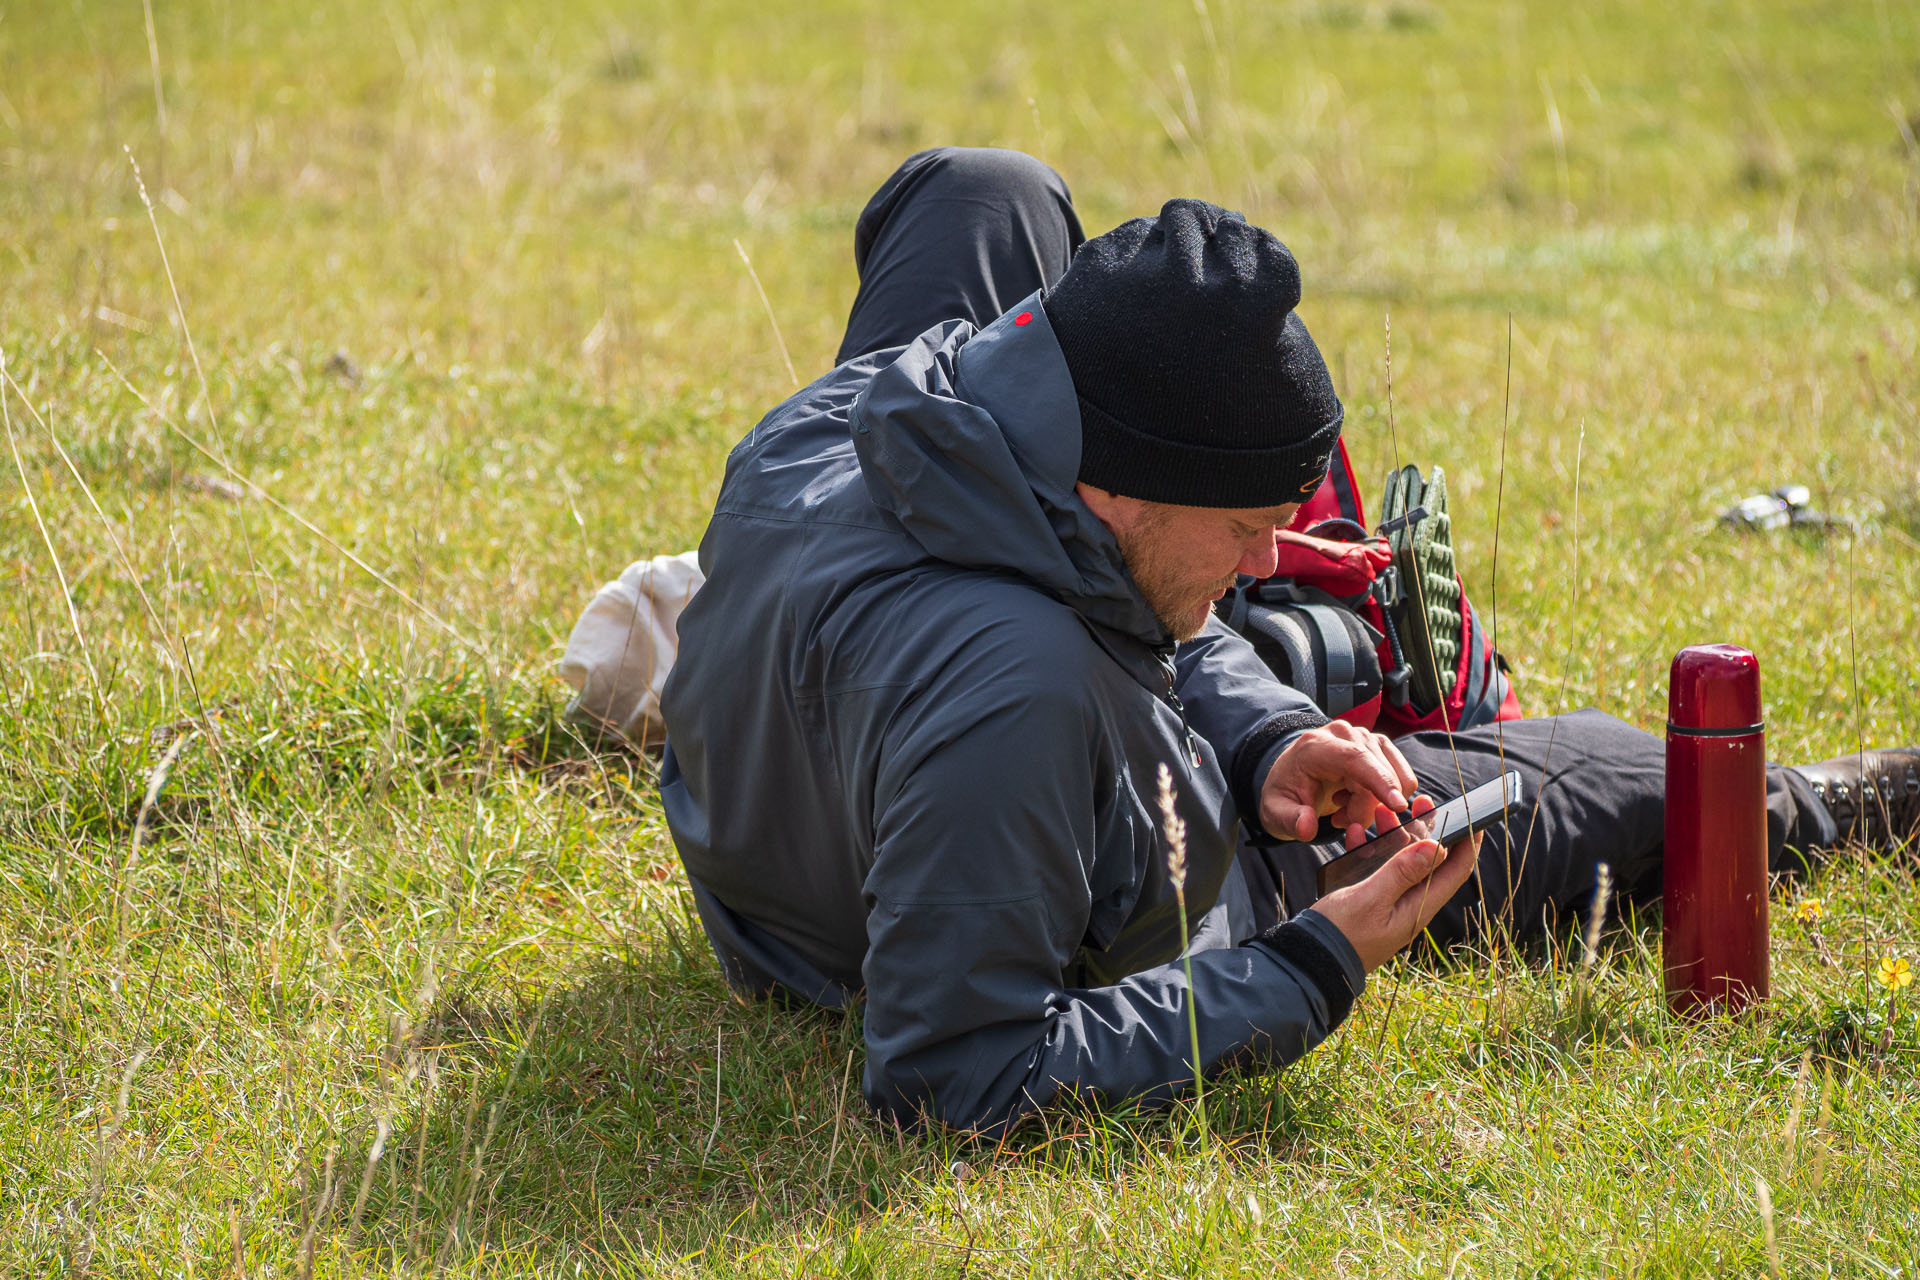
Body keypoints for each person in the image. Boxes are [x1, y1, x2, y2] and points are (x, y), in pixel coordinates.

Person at [658, 147, 1920, 1135]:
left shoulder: (860, 409)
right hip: (1050, 880)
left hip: (779, 851)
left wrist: (1266, 730)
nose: (1271, 563)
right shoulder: (1020, 691)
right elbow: (954, 1075)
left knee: (986, 193)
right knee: (1613, 769)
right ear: (1123, 489)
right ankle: (1845, 801)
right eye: (1251, 526)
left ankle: (1271, 679)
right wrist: (1315, 958)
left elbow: (1120, 592)